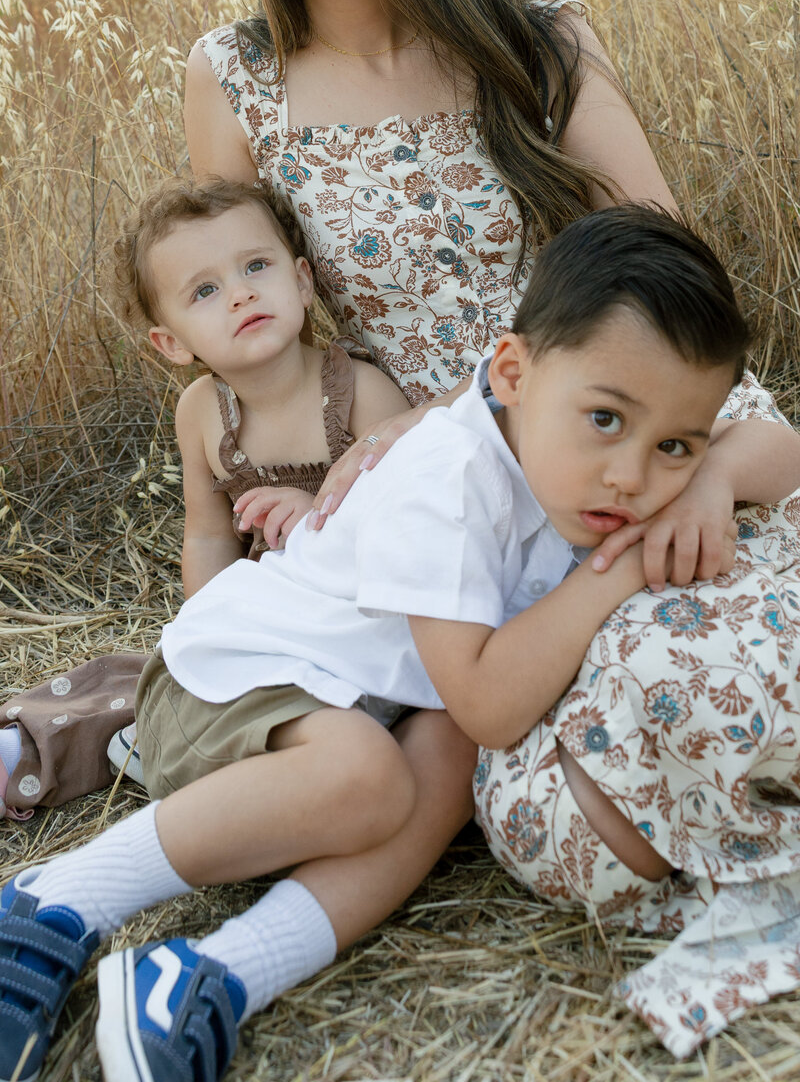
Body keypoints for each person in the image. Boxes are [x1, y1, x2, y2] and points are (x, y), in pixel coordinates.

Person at [0, 204, 768, 1082]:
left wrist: (714, 479)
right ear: (510, 373)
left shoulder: (596, 473)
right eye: (605, 419)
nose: (632, 478)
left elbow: (782, 453)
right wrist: (619, 572)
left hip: (358, 700)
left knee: (444, 752)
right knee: (385, 766)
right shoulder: (448, 479)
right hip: (230, 679)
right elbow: (492, 702)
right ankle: (52, 903)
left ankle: (213, 976)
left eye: (673, 443)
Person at [0, 175, 409, 807]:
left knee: (340, 688)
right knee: (171, 673)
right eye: (207, 290)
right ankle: (85, 742)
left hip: (353, 607)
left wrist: (319, 513)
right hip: (268, 612)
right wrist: (212, 627)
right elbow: (210, 534)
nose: (241, 293)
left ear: (301, 280)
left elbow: (403, 517)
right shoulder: (201, 413)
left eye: (256, 266)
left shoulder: (355, 389)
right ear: (174, 344)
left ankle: (277, 757)